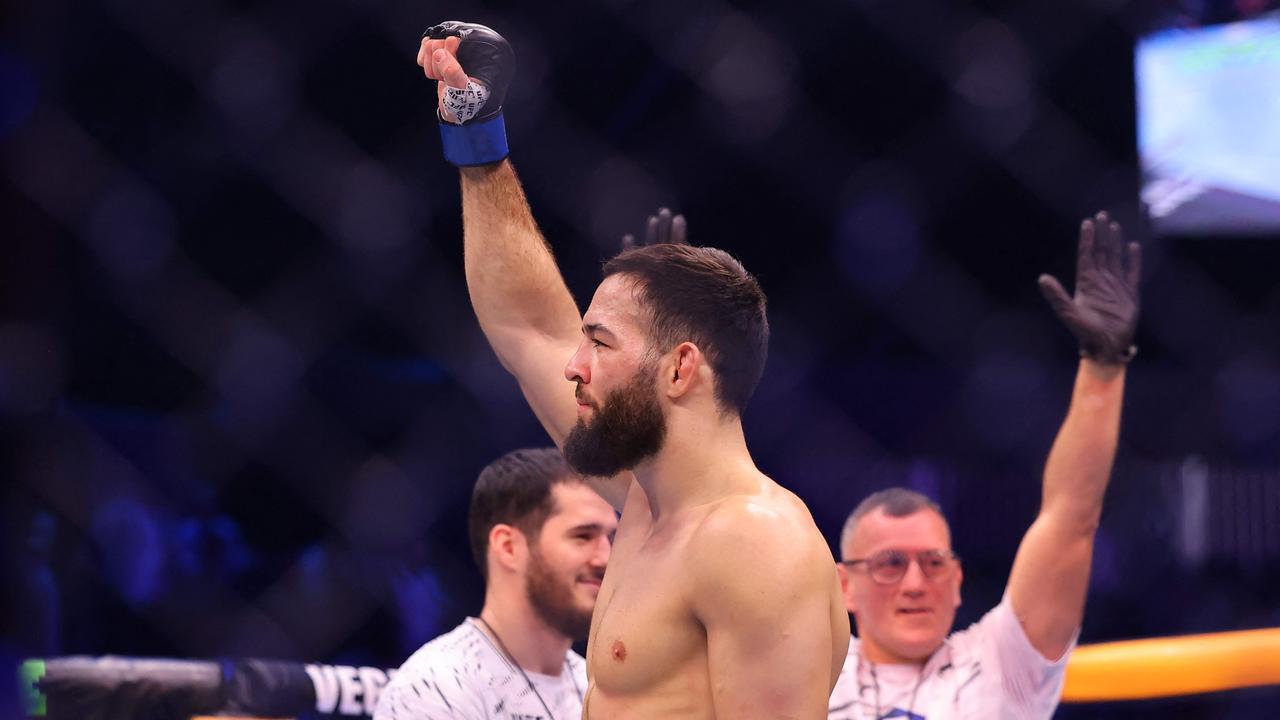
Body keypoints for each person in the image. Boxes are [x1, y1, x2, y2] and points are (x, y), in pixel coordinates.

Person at [416, 21, 849, 719]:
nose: (573, 368)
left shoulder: (753, 540)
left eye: (601, 344)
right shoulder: (647, 503)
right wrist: (477, 131)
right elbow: (526, 325)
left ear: (680, 369)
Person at [829, 212, 1142, 719]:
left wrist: (1102, 369)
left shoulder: (1002, 664)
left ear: (957, 580)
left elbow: (1071, 518)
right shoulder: (804, 671)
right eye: (889, 564)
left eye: (933, 563)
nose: (914, 584)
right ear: (845, 585)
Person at [374, 448, 616, 719]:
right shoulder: (435, 687)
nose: (606, 558)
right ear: (509, 547)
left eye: (611, 539)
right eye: (583, 536)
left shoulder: (599, 690)